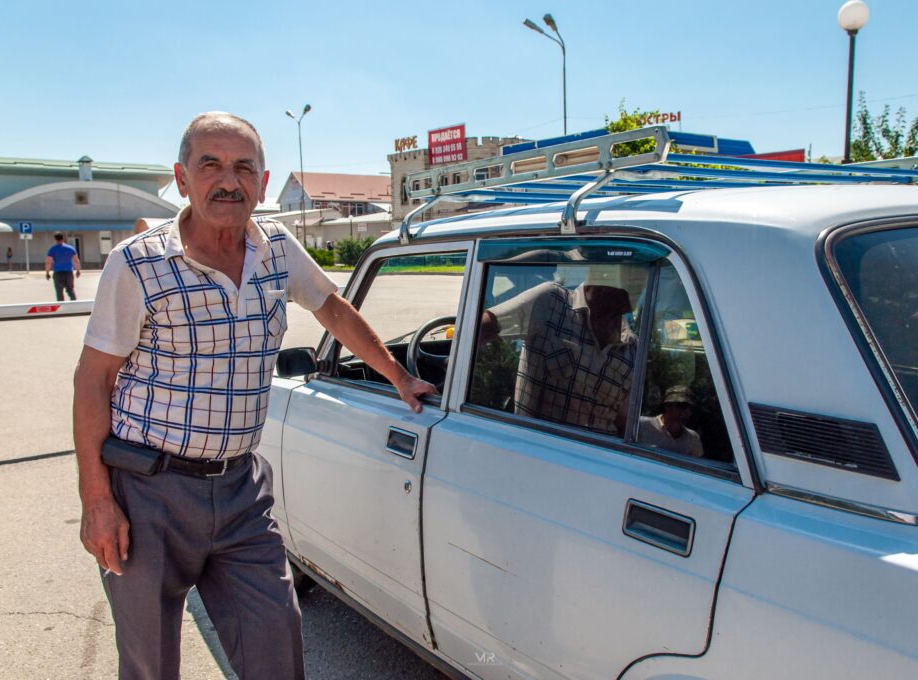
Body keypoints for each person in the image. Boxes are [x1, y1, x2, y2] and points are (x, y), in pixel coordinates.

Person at [72, 112, 436, 679]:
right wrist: (97, 499)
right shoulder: (138, 264)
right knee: (150, 665)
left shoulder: (277, 250)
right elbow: (92, 381)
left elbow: (331, 309)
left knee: (276, 644)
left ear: (263, 183)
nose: (228, 180)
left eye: (244, 167)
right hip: (147, 493)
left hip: (241, 489)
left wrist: (398, 376)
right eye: (210, 164)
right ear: (182, 178)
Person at [479, 274, 637, 436]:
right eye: (632, 273)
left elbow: (622, 424)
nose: (640, 284)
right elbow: (479, 329)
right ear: (604, 273)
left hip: (600, 457)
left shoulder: (632, 348)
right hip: (535, 450)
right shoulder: (551, 302)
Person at [638, 385, 704, 457]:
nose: (687, 412)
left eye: (690, 408)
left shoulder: (693, 438)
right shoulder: (642, 425)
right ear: (667, 406)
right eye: (682, 406)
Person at [45, 233, 81, 301]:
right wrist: (78, 270)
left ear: (55, 239)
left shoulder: (53, 249)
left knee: (59, 292)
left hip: (58, 273)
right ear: (63, 238)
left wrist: (47, 273)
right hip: (68, 273)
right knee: (70, 290)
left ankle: (61, 307)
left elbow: (48, 262)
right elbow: (76, 260)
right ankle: (74, 305)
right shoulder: (70, 248)